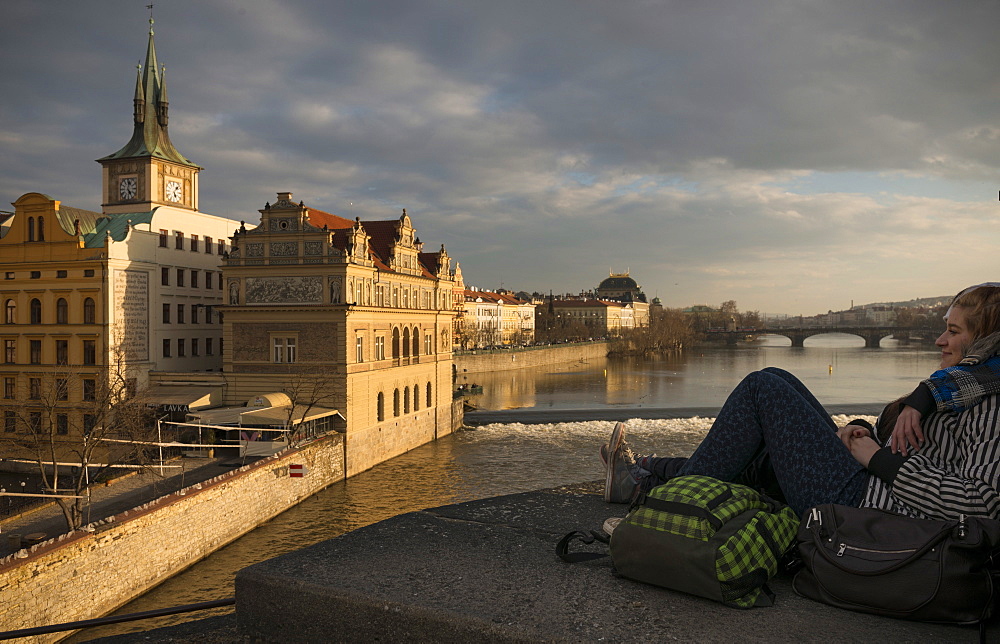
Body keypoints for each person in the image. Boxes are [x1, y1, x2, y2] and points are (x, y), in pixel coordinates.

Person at [604, 283, 1000, 520]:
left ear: (982, 338)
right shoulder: (961, 386)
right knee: (778, 381)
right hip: (873, 489)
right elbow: (934, 458)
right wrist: (869, 437)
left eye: (952, 331)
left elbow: (985, 504)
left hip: (871, 507)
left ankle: (663, 508)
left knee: (764, 389)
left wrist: (878, 459)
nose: (939, 340)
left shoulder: (990, 406)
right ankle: (645, 475)